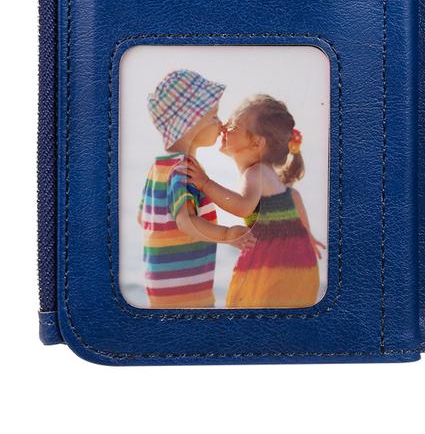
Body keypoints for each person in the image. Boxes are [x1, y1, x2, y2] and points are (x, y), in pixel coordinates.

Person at [187, 94, 324, 308]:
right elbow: (293, 196)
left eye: (233, 126)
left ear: (257, 143)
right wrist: (307, 235)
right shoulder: (266, 172)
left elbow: (243, 207)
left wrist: (205, 183)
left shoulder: (255, 173)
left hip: (275, 265)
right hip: (300, 263)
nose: (224, 127)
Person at [139, 69, 254, 308]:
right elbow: (186, 221)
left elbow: (143, 218)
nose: (221, 124)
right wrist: (227, 235)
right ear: (188, 125)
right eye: (214, 117)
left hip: (161, 284)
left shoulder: (158, 168)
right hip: (184, 289)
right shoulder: (183, 170)